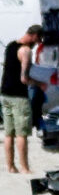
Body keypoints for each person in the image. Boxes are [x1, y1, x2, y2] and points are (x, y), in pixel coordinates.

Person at [1, 25, 37, 176]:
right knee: (22, 133)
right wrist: (38, 83)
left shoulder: (10, 46)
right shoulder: (26, 50)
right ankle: (24, 167)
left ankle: (10, 166)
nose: (38, 42)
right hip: (19, 96)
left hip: (5, 94)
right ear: (34, 35)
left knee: (9, 133)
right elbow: (24, 78)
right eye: (39, 39)